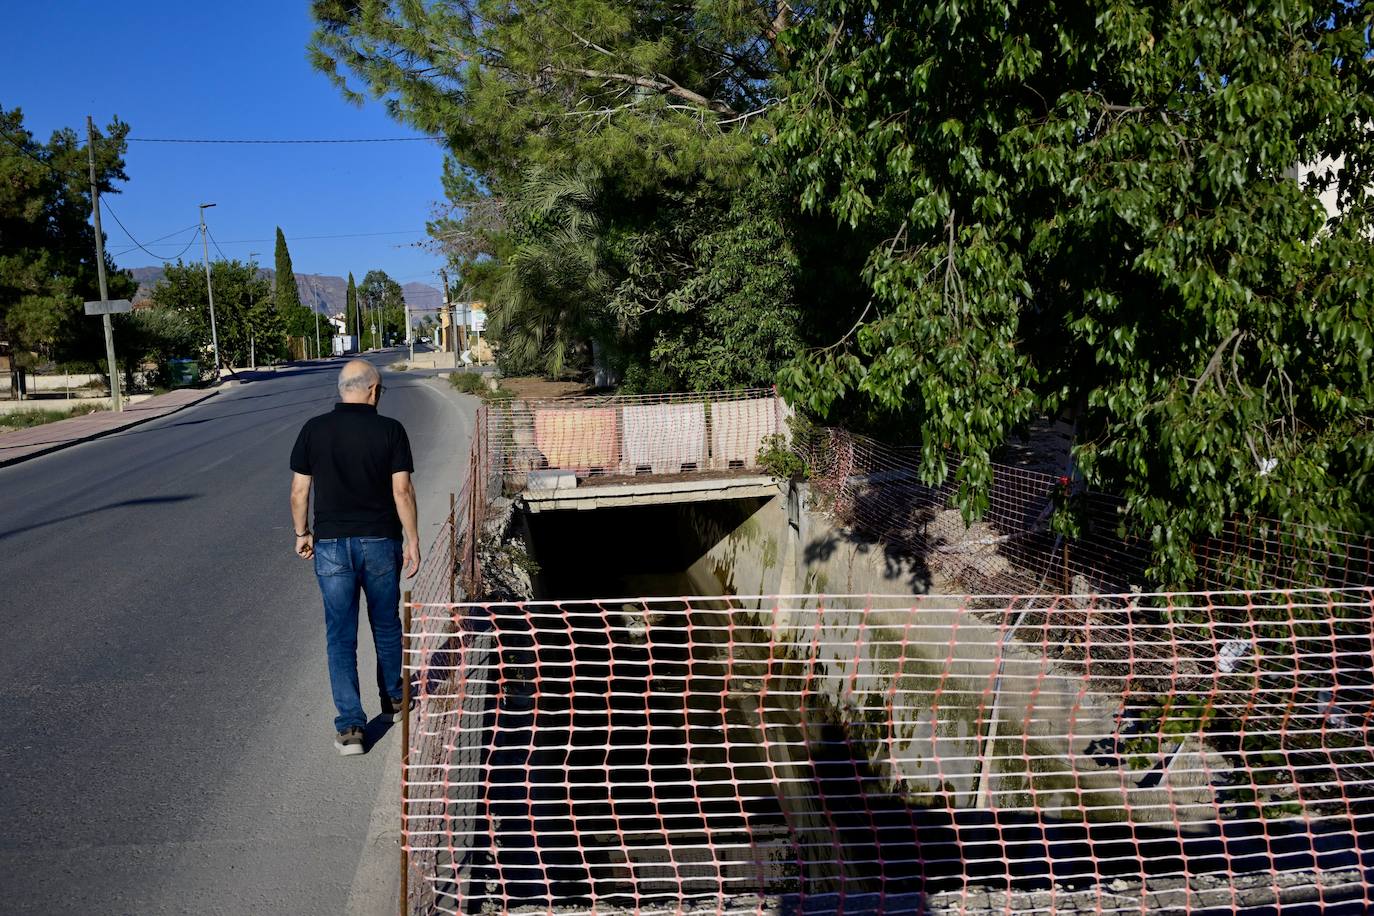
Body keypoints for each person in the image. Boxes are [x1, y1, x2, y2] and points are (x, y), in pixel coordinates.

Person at [289, 360, 421, 756]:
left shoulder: (313, 429)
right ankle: (395, 700)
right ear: (373, 390)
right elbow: (402, 492)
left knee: (340, 635)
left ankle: (350, 728)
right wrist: (412, 539)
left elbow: (299, 492)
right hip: (380, 542)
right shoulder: (390, 430)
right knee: (385, 623)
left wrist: (302, 534)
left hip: (330, 546)